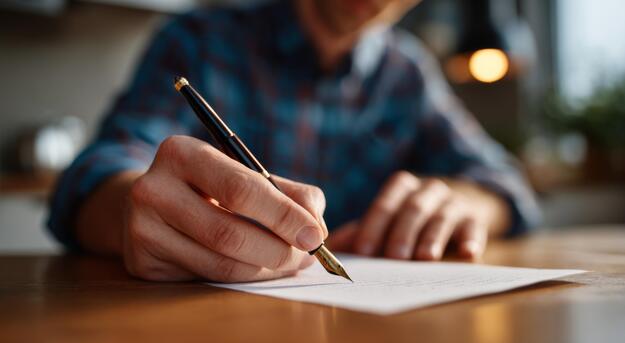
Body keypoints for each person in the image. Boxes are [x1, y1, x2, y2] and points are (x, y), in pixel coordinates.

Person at [48, 0, 539, 282]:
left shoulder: (407, 73)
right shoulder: (198, 40)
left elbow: (504, 184)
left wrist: (464, 202)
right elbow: (93, 177)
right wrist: (134, 210)